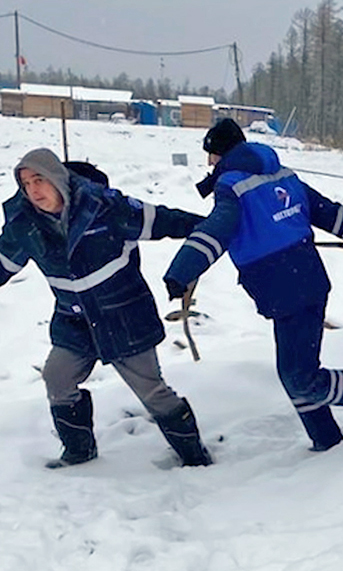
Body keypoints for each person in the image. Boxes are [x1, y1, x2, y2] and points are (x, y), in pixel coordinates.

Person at [163, 118, 343, 452]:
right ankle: (327, 441)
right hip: (303, 283)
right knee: (296, 372)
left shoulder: (231, 185)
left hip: (287, 289)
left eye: (211, 154)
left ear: (223, 153)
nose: (208, 163)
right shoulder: (282, 174)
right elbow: (329, 212)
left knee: (299, 377)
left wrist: (181, 272)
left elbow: (218, 228)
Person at [0, 148, 212, 468]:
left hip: (124, 316)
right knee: (57, 379)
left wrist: (216, 230)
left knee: (151, 391)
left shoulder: (105, 208)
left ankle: (194, 457)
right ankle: (79, 452)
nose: (33, 190)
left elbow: (165, 220)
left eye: (40, 180)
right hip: (75, 321)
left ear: (57, 178)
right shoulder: (24, 224)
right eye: (26, 184)